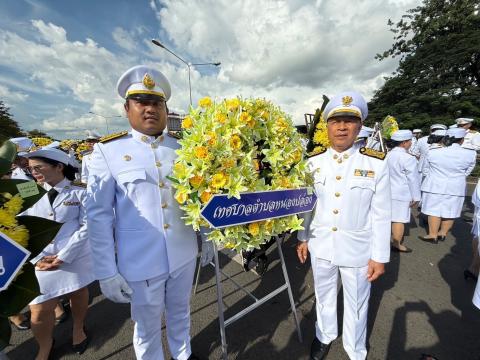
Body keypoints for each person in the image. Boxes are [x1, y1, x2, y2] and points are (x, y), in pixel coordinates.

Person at [86, 65, 208, 360]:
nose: (150, 108)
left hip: (183, 252)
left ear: (166, 109)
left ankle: (183, 354)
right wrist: (106, 271)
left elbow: (200, 198)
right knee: (146, 326)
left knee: (181, 312)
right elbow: (98, 216)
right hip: (140, 260)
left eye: (156, 102)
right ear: (127, 109)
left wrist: (208, 239)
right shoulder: (108, 152)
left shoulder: (184, 149)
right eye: (141, 102)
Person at [297, 91, 391, 360]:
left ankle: (355, 348)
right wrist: (303, 237)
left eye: (349, 121)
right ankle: (324, 335)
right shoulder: (312, 163)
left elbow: (382, 213)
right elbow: (308, 206)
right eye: (335, 121)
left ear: (359, 126)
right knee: (324, 294)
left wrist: (379, 256)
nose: (341, 127)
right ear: (326, 126)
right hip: (321, 243)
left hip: (359, 248)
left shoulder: (375, 164)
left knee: (358, 302)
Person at [21, 148, 94, 359]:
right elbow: (21, 226)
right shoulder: (28, 191)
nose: (34, 172)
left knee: (78, 294)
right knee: (38, 310)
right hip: (41, 259)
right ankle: (45, 345)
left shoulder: (80, 191)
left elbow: (87, 225)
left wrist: (64, 255)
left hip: (74, 255)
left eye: (38, 167)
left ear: (59, 166)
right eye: (31, 168)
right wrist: (36, 257)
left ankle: (78, 329)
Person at [419, 128, 476, 243]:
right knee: (451, 210)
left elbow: (425, 170)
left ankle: (433, 234)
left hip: (434, 185)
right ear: (462, 140)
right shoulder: (470, 153)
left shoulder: (433, 151)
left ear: (446, 138)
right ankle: (443, 233)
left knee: (433, 210)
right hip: (456, 186)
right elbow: (467, 171)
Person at [386, 130, 421, 253]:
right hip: (401, 193)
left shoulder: (387, 154)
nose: (411, 143)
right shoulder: (408, 158)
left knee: (385, 217)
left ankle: (383, 241)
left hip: (386, 191)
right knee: (399, 219)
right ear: (404, 143)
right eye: (410, 141)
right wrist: (416, 196)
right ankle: (397, 244)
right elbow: (413, 179)